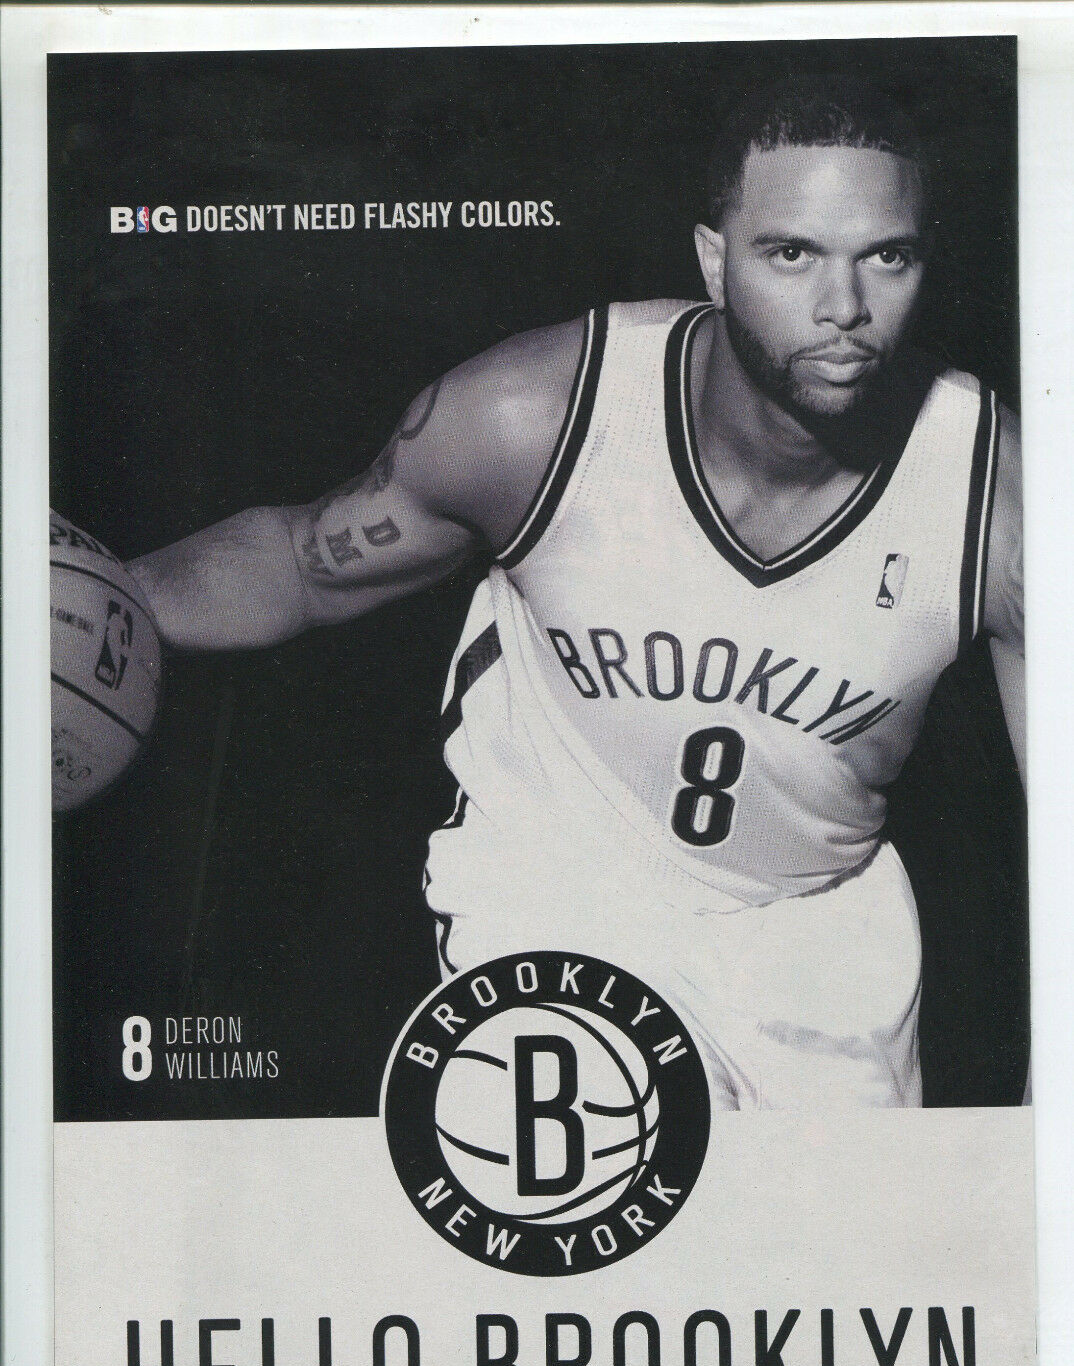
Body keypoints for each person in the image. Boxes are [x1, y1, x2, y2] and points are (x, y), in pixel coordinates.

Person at [128, 76, 1024, 1112]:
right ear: (715, 262)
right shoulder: (542, 419)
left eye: (887, 257)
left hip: (819, 938)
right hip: (558, 892)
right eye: (792, 254)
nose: (845, 308)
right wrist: (101, 601)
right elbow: (299, 563)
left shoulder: (997, 499)